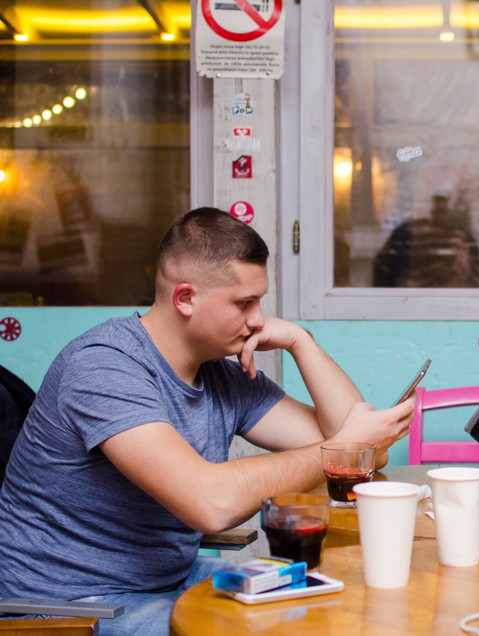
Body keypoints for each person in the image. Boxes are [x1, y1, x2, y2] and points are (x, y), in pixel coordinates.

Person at [0, 208, 414, 635]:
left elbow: (360, 454)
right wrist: (347, 444)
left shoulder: (220, 373)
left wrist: (298, 341)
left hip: (166, 581)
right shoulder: (103, 368)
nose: (257, 319)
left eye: (259, 302)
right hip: (67, 604)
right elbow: (211, 504)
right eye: (243, 303)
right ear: (185, 298)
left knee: (333, 608)